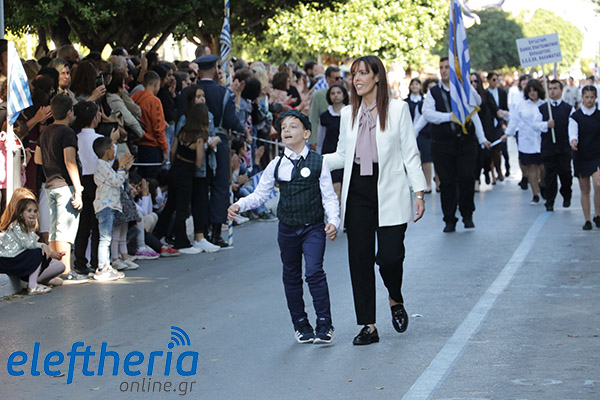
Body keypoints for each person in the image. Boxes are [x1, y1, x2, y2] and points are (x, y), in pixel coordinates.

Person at [324, 55, 427, 345]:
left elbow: (410, 154)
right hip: (357, 189)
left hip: (390, 187)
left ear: (377, 77)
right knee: (360, 259)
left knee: (390, 257)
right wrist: (311, 160)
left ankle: (395, 297)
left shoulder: (398, 109)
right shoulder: (348, 113)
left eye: (363, 73)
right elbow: (342, 155)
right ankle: (368, 325)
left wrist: (419, 191)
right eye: (353, 74)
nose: (356, 79)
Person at [228, 110, 339, 344]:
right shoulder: (276, 164)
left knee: (314, 272)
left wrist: (333, 221)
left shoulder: (319, 162)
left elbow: (329, 197)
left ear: (306, 133)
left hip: (313, 227)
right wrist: (239, 204)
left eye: (293, 126)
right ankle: (300, 324)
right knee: (291, 275)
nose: (287, 130)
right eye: (283, 127)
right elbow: (260, 194)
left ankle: (324, 323)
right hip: (287, 229)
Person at [422, 57, 490, 232]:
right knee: (446, 182)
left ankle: (467, 214)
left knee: (467, 177)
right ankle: (449, 219)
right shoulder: (434, 92)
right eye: (442, 67)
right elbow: (427, 113)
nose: (444, 70)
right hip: (442, 144)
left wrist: (466, 84)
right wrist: (449, 117)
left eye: (447, 67)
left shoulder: (464, 89)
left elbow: (477, 104)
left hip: (465, 142)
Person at [34, 94, 88, 283]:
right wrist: (78, 190)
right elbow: (69, 160)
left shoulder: (45, 132)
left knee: (54, 229)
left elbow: (38, 159)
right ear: (69, 112)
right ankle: (66, 270)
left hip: (49, 184)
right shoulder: (67, 133)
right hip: (65, 185)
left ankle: (55, 268)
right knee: (66, 229)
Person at [195, 54, 245, 249]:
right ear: (216, 69)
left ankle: (201, 232)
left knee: (201, 187)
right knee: (220, 186)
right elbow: (231, 120)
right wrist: (243, 130)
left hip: (195, 141)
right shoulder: (223, 93)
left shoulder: (190, 91)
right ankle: (216, 232)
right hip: (220, 140)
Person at [0, 198, 65, 295]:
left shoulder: (27, 227)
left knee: (55, 263)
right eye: (29, 211)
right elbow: (29, 245)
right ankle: (32, 286)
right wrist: (42, 245)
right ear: (21, 213)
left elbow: (30, 244)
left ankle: (42, 280)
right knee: (38, 253)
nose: (33, 214)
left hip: (17, 259)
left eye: (35, 211)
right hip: (7, 260)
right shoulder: (16, 226)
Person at [92, 137, 134, 280]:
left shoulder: (105, 166)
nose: (114, 151)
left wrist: (124, 168)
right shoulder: (102, 166)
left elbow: (117, 179)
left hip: (108, 205)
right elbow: (117, 181)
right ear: (107, 151)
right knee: (105, 238)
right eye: (112, 147)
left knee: (107, 238)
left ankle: (106, 265)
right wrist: (121, 167)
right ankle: (102, 268)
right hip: (105, 206)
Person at [504, 79, 546, 205]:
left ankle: (542, 184)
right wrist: (507, 133)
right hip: (527, 140)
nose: (532, 93)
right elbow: (514, 120)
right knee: (532, 167)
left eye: (535, 90)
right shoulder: (521, 105)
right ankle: (535, 194)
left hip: (542, 140)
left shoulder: (545, 104)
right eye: (530, 91)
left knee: (543, 168)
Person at [568, 85, 600, 230]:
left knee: (598, 184)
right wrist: (573, 140)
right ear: (582, 98)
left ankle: (597, 214)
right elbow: (572, 132)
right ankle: (587, 219)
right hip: (581, 155)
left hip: (597, 154)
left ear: (596, 98)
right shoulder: (575, 117)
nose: (589, 100)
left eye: (592, 97)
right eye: (586, 97)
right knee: (585, 189)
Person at [538, 80, 573, 212]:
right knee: (550, 175)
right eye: (550, 88)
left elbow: (572, 127)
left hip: (564, 147)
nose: (552, 91)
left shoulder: (568, 108)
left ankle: (566, 193)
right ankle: (550, 201)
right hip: (548, 147)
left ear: (561, 90)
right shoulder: (542, 108)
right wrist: (546, 125)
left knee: (565, 173)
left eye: (555, 88)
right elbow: (535, 125)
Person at [131, 70, 168, 178]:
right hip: (153, 146)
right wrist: (165, 149)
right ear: (156, 84)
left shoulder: (135, 97)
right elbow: (158, 128)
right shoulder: (154, 101)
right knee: (152, 179)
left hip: (138, 144)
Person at [317, 83, 349, 199]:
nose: (335, 95)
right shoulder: (325, 116)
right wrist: (319, 154)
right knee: (334, 184)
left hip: (346, 152)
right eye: (333, 93)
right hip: (330, 152)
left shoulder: (350, 114)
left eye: (338, 93)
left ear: (344, 95)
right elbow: (320, 136)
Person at [309, 66, 343, 149]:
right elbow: (313, 118)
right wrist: (312, 140)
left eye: (341, 78)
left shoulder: (345, 95)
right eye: (336, 78)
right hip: (323, 137)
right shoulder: (318, 95)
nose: (339, 81)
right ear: (328, 79)